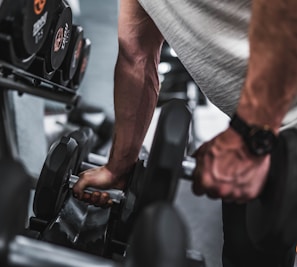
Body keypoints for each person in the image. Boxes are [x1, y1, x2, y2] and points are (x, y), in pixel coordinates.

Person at [73, 0, 297, 266]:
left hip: (262, 128)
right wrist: (119, 167)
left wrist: (249, 135)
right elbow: (136, 56)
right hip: (265, 133)